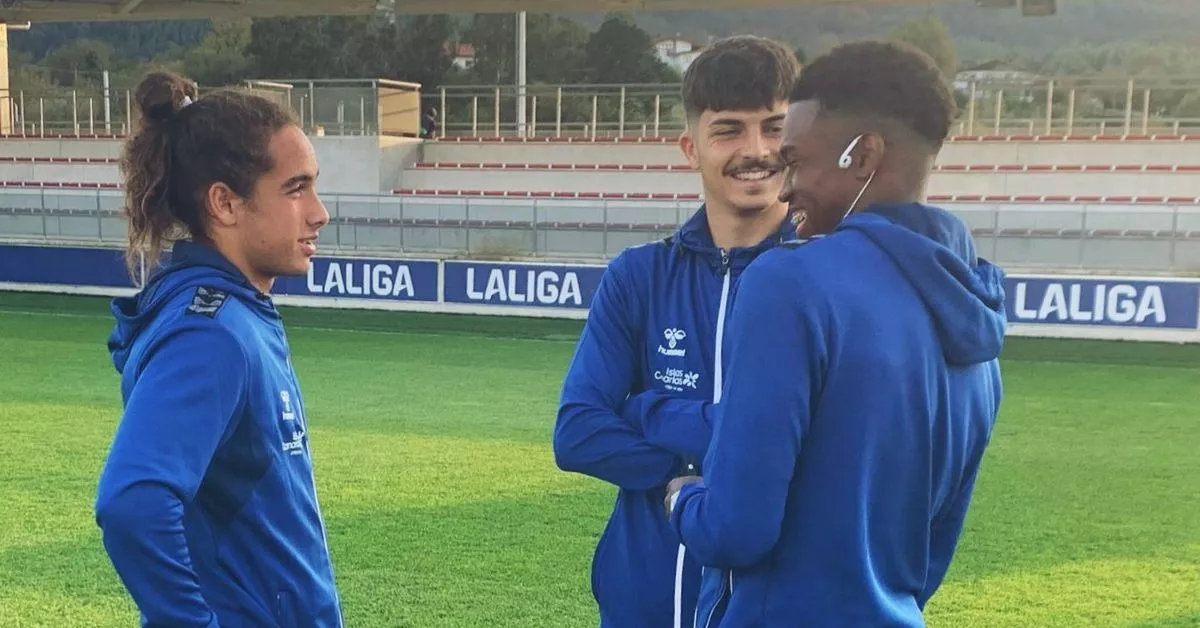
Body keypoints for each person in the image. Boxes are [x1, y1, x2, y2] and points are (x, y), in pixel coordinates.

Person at [665, 40, 1007, 626]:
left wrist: (682, 496)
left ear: (864, 153)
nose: (785, 184)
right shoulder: (979, 325)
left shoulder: (790, 281)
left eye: (795, 159)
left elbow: (735, 531)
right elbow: (928, 559)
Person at [553, 35, 801, 628]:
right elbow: (578, 432)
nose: (756, 150)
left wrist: (649, 411)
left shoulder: (823, 277)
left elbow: (819, 447)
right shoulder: (639, 276)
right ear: (691, 147)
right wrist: (679, 477)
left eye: (774, 127)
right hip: (643, 603)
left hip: (773, 606)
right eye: (729, 130)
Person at [94, 70, 342, 627]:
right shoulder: (210, 335)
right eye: (296, 188)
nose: (319, 212)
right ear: (226, 204)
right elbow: (132, 503)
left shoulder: (232, 315)